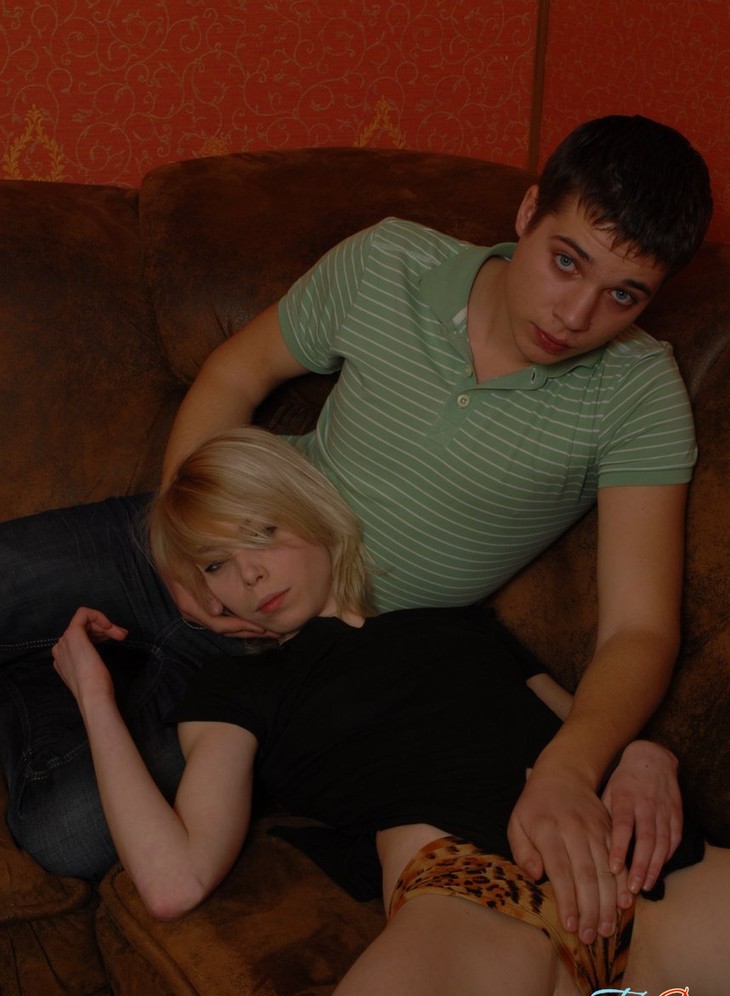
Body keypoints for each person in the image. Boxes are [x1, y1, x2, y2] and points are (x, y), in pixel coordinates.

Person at [0, 115, 713, 944]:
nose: (576, 313)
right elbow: (236, 371)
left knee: (71, 829)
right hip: (221, 533)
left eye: (624, 295)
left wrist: (571, 766)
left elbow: (638, 628)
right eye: (566, 261)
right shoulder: (390, 261)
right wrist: (194, 546)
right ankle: (60, 651)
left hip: (304, 668)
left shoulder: (639, 395)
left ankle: (55, 670)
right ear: (528, 213)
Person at [50, 429, 728, 996]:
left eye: (261, 532)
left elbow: (586, 723)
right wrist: (92, 694)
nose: (248, 574)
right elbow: (174, 881)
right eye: (214, 564)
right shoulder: (235, 687)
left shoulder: (463, 624)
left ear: (311, 512)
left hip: (645, 870)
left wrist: (648, 756)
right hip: (480, 900)